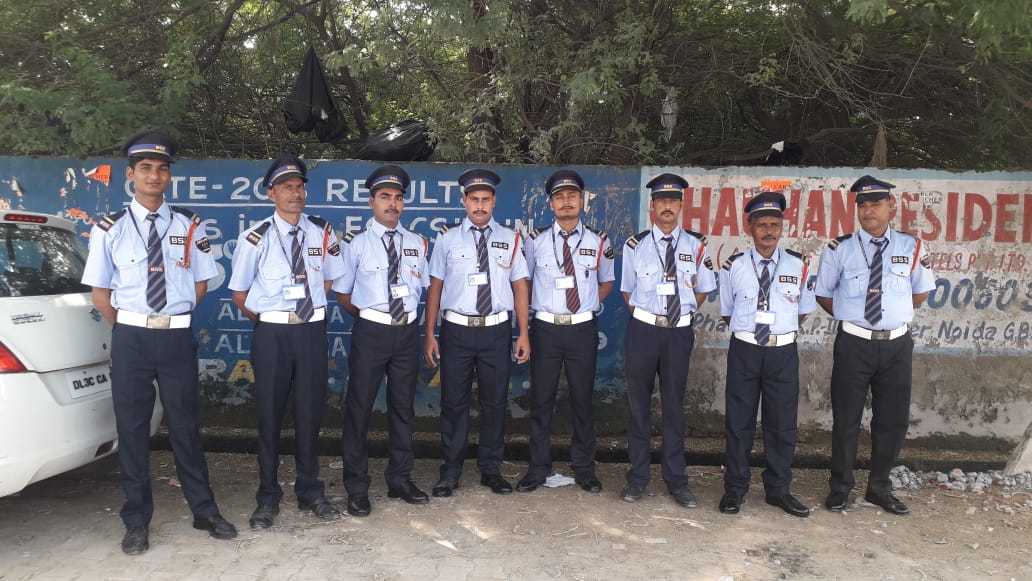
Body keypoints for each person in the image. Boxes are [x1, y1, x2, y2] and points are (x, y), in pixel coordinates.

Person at [82, 130, 237, 555]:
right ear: (131, 175)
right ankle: (136, 520)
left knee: (186, 426)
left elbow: (201, 283)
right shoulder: (109, 229)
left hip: (175, 337)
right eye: (146, 168)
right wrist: (133, 323)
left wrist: (171, 315)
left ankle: (204, 510)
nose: (155, 175)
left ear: (169, 176)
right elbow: (100, 293)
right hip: (131, 338)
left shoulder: (188, 225)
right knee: (132, 431)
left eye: (162, 169)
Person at [228, 155, 344, 529]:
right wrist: (271, 320)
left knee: (310, 413)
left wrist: (304, 310)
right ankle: (268, 496)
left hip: (310, 330)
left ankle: (310, 490)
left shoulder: (322, 232)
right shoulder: (255, 237)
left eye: (299, 187)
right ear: (271, 193)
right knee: (269, 415)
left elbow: (330, 280)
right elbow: (240, 293)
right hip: (273, 334)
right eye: (286, 188)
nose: (295, 194)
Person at [814, 175, 936, 515]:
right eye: (863, 205)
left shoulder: (911, 247)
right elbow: (823, 294)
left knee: (892, 420)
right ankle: (840, 488)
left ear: (891, 206)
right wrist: (854, 317)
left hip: (896, 345)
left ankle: (880, 488)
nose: (869, 211)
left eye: (876, 204)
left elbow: (920, 292)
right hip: (854, 343)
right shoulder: (839, 249)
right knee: (846, 419)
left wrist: (891, 317)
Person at [423, 169, 531, 497]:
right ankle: (450, 471)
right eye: (474, 199)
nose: (480, 205)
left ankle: (491, 469)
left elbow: (520, 287)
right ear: (464, 202)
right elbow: (435, 288)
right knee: (453, 402)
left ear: (494, 201)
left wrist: (523, 333)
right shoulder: (447, 239)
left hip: (496, 330)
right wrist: (430, 333)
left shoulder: (511, 239)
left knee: (494, 402)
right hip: (456, 330)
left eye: (485, 199)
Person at [334, 165, 430, 516]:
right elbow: (343, 294)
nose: (392, 204)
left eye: (398, 197)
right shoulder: (356, 244)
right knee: (359, 409)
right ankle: (357, 487)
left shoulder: (417, 243)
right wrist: (370, 315)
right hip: (372, 331)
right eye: (385, 197)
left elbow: (420, 289)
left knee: (403, 407)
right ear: (372, 202)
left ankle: (400, 479)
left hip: (407, 332)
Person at [619, 173, 716, 508]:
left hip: (678, 334)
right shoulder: (635, 246)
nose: (667, 207)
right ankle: (638, 478)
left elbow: (702, 290)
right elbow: (627, 292)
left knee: (674, 406)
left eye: (673, 201)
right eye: (661, 200)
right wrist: (652, 317)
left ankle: (677, 480)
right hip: (644, 331)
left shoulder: (696, 245)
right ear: (652, 206)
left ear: (680, 205)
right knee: (638, 407)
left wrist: (678, 314)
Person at [717, 191, 815, 517]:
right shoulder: (733, 265)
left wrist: (777, 331)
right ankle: (735, 489)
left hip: (782, 352)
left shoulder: (798, 265)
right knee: (739, 423)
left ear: (782, 227)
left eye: (774, 224)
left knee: (782, 425)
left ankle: (778, 489)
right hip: (745, 349)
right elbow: (727, 311)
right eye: (762, 225)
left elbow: (803, 310)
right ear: (750, 228)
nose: (769, 231)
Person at [515, 170, 614, 494]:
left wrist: (585, 305)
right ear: (550, 204)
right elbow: (524, 283)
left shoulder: (599, 241)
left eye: (572, 196)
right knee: (541, 400)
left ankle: (584, 468)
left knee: (582, 400)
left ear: (582, 201)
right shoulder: (535, 241)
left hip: (582, 330)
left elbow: (606, 282)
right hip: (545, 329)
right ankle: (537, 468)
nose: (566, 202)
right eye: (559, 197)